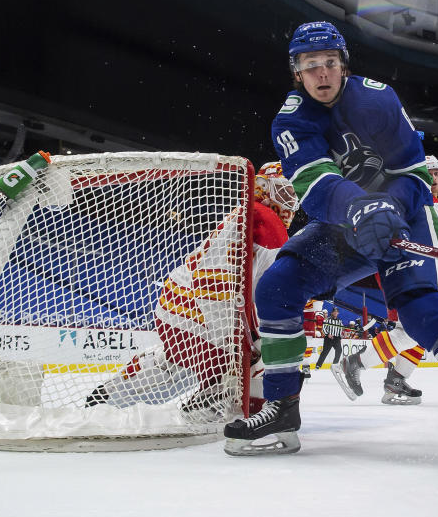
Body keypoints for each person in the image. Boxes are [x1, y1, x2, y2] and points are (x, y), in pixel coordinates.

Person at [223, 21, 438, 459]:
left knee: (421, 309)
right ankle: (282, 411)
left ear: (343, 65)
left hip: (405, 213)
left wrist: (386, 207)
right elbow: (316, 183)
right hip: (344, 222)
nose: (322, 74)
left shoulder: (378, 98)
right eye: (311, 67)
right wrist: (361, 207)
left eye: (329, 63)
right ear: (297, 72)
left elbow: (414, 174)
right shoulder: (290, 121)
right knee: (277, 286)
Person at [85, 162, 297, 417]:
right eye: (286, 192)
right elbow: (255, 291)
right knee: (265, 354)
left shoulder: (249, 212)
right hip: (201, 310)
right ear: (264, 187)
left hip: (179, 305)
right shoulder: (267, 221)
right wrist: (240, 336)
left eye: (295, 197)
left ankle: (105, 397)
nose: (291, 202)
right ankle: (224, 412)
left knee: (173, 370)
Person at [332, 154, 438, 405]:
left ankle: (395, 381)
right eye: (429, 173)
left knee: (420, 331)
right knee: (411, 331)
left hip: (421, 268)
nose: (433, 177)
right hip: (403, 268)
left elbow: (436, 243)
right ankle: (354, 363)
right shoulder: (408, 196)